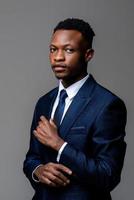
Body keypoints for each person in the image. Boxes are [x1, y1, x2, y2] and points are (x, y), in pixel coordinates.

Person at [23, 18, 127, 200]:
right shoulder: (44, 102)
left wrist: (59, 145)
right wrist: (38, 171)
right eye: (53, 49)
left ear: (88, 55)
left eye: (68, 50)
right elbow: (31, 158)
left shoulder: (108, 105)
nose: (58, 57)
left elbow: (107, 175)